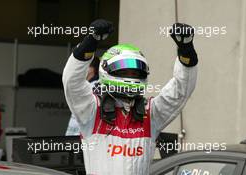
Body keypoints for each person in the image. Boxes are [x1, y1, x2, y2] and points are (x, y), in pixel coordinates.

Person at [62, 19, 198, 175]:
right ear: (107, 71)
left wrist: (186, 52)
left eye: (135, 73)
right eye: (124, 72)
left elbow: (180, 91)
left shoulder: (150, 114)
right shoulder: (92, 111)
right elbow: (72, 83)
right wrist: (90, 42)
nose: (131, 77)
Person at [65, 57, 100, 136]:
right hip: (73, 137)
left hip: (82, 139)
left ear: (91, 69)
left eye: (83, 67)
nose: (79, 71)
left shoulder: (95, 87)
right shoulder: (84, 85)